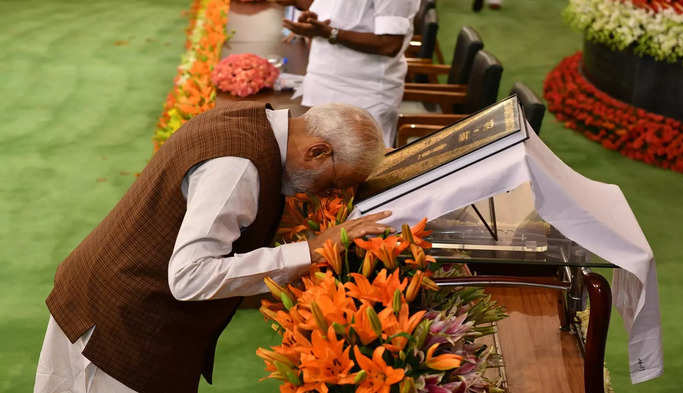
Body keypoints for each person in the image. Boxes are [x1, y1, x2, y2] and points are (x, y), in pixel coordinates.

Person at [34, 102, 391, 393]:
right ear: (317, 151)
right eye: (336, 183)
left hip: (104, 298)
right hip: (115, 331)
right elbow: (191, 276)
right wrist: (309, 251)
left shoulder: (252, 120)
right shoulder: (239, 167)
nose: (328, 194)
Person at [278, 0, 420, 147]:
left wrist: (330, 33)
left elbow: (389, 44)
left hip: (363, 96)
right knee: (319, 161)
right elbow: (344, 15)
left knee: (363, 165)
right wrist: (313, 24)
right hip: (322, 87)